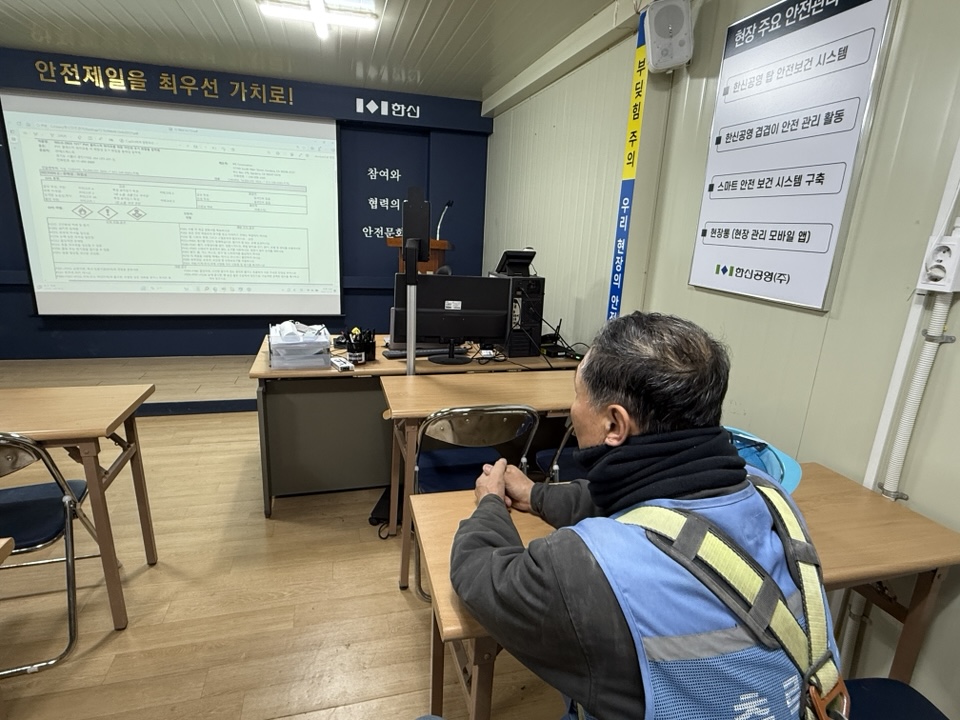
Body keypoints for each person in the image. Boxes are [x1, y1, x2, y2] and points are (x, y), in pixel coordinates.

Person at [449, 311, 839, 720]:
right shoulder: (773, 498)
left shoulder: (580, 569)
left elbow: (479, 572)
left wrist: (489, 502)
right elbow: (656, 512)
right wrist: (537, 496)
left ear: (614, 423)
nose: (571, 410)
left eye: (577, 394)